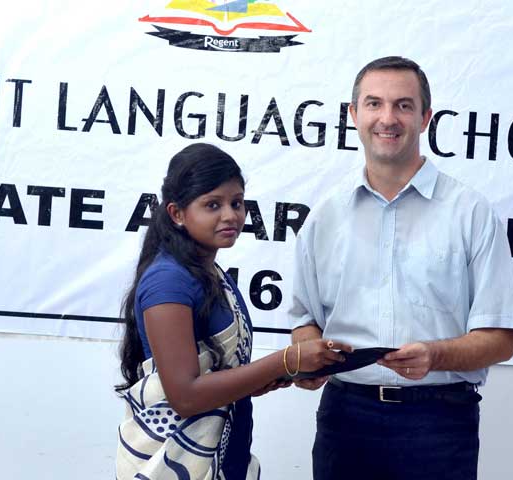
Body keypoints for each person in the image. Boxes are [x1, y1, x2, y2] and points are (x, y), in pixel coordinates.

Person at [289, 56, 513, 480]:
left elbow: (502, 338)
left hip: (439, 425)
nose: (387, 118)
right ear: (353, 114)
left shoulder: (470, 213)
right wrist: (310, 358)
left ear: (425, 117)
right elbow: (306, 321)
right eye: (374, 104)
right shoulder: (325, 216)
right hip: (345, 420)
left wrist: (436, 355)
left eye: (403, 105)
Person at [114, 143, 350, 480]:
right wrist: (284, 361)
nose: (231, 215)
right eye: (213, 205)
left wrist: (278, 375)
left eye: (236, 203)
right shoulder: (168, 281)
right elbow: (185, 397)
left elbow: (215, 375)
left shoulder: (209, 273)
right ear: (177, 213)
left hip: (227, 459)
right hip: (175, 465)